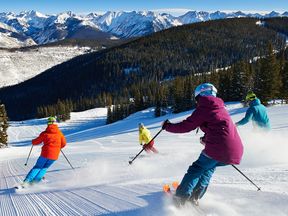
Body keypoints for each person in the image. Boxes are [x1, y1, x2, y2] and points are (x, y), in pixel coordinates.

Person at [162, 83, 243, 206]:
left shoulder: (204, 107)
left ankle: (180, 198)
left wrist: (167, 126)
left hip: (218, 148)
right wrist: (207, 138)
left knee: (197, 168)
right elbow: (221, 128)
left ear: (199, 96)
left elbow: (185, 126)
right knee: (208, 168)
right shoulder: (221, 108)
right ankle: (195, 196)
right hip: (235, 149)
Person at [21, 116, 66, 187]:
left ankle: (26, 182)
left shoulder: (45, 133)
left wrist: (33, 141)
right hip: (54, 156)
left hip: (45, 154)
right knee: (44, 168)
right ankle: (35, 182)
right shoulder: (60, 133)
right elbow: (63, 144)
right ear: (55, 123)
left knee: (37, 167)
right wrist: (57, 147)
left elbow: (36, 142)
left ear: (48, 123)